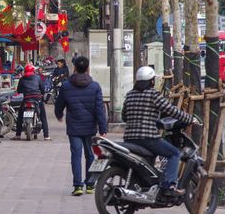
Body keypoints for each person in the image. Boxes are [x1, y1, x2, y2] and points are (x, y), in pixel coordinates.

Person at [122, 66, 197, 196]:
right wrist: (190, 118)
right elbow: (171, 110)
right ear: (151, 81)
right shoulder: (153, 95)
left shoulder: (130, 95)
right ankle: (169, 185)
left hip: (129, 138)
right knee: (174, 153)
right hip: (148, 139)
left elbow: (124, 116)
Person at [55, 56, 107, 196]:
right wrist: (103, 128)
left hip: (74, 127)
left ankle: (78, 186)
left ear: (75, 68)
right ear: (88, 68)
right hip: (90, 127)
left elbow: (59, 103)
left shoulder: (66, 85)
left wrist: (59, 114)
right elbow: (99, 109)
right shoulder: (95, 86)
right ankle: (90, 185)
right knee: (90, 155)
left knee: (76, 155)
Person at [13, 64, 51, 141]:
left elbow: (19, 90)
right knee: (43, 116)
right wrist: (42, 94)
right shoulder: (38, 77)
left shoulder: (22, 79)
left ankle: (18, 135)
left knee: (20, 116)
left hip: (27, 99)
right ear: (33, 71)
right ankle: (46, 136)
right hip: (37, 99)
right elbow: (42, 89)